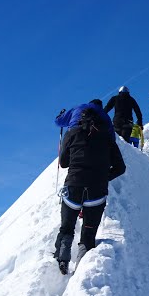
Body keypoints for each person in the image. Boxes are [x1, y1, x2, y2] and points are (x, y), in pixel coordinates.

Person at [52, 102, 126, 274]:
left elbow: (63, 163)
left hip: (73, 186)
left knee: (67, 227)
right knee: (88, 232)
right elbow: (120, 168)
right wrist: (103, 177)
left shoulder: (73, 132)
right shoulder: (108, 137)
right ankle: (82, 272)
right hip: (97, 192)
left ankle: (62, 260)